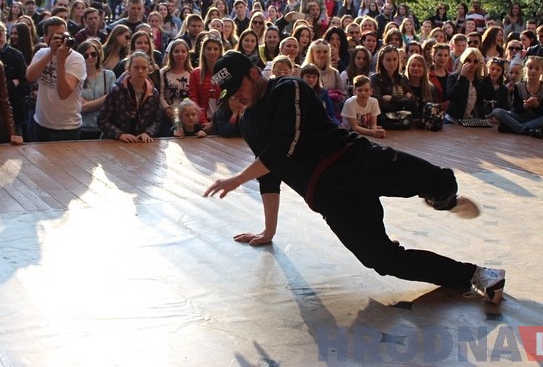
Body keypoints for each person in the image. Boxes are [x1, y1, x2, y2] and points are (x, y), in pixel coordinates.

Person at [203, 51, 506, 304]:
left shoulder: (289, 88)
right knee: (382, 259)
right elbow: (270, 174)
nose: (237, 97)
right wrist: (269, 230)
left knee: (440, 180)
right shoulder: (250, 123)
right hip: (332, 196)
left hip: (356, 160)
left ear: (254, 73)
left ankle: (444, 200)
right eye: (230, 94)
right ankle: (476, 275)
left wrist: (236, 179)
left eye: (238, 87)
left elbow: (283, 148)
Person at [25, 17, 87, 142]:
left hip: (67, 127)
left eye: (62, 35)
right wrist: (51, 53)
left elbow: (63, 93)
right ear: (45, 38)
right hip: (41, 123)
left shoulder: (77, 59)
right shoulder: (41, 53)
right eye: (54, 36)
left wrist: (60, 60)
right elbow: (30, 77)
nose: (59, 39)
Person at [98, 50, 161, 142]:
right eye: (136, 67)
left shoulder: (153, 93)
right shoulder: (117, 90)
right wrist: (120, 134)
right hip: (115, 141)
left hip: (141, 142)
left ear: (149, 69)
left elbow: (157, 120)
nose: (140, 71)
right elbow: (102, 119)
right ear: (129, 68)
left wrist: (148, 132)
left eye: (144, 68)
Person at [491, 56, 543, 138]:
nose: (533, 71)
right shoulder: (518, 86)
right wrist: (525, 105)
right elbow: (515, 109)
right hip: (518, 117)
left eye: (537, 69)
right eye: (530, 68)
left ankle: (512, 128)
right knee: (497, 112)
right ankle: (527, 130)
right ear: (525, 69)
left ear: (542, 71)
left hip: (535, 119)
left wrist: (536, 105)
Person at [77, 38, 115, 140]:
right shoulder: (77, 78)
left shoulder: (109, 75)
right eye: (86, 55)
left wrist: (90, 104)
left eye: (93, 54)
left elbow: (113, 101)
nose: (90, 57)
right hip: (82, 129)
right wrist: (107, 96)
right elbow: (83, 108)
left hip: (104, 129)